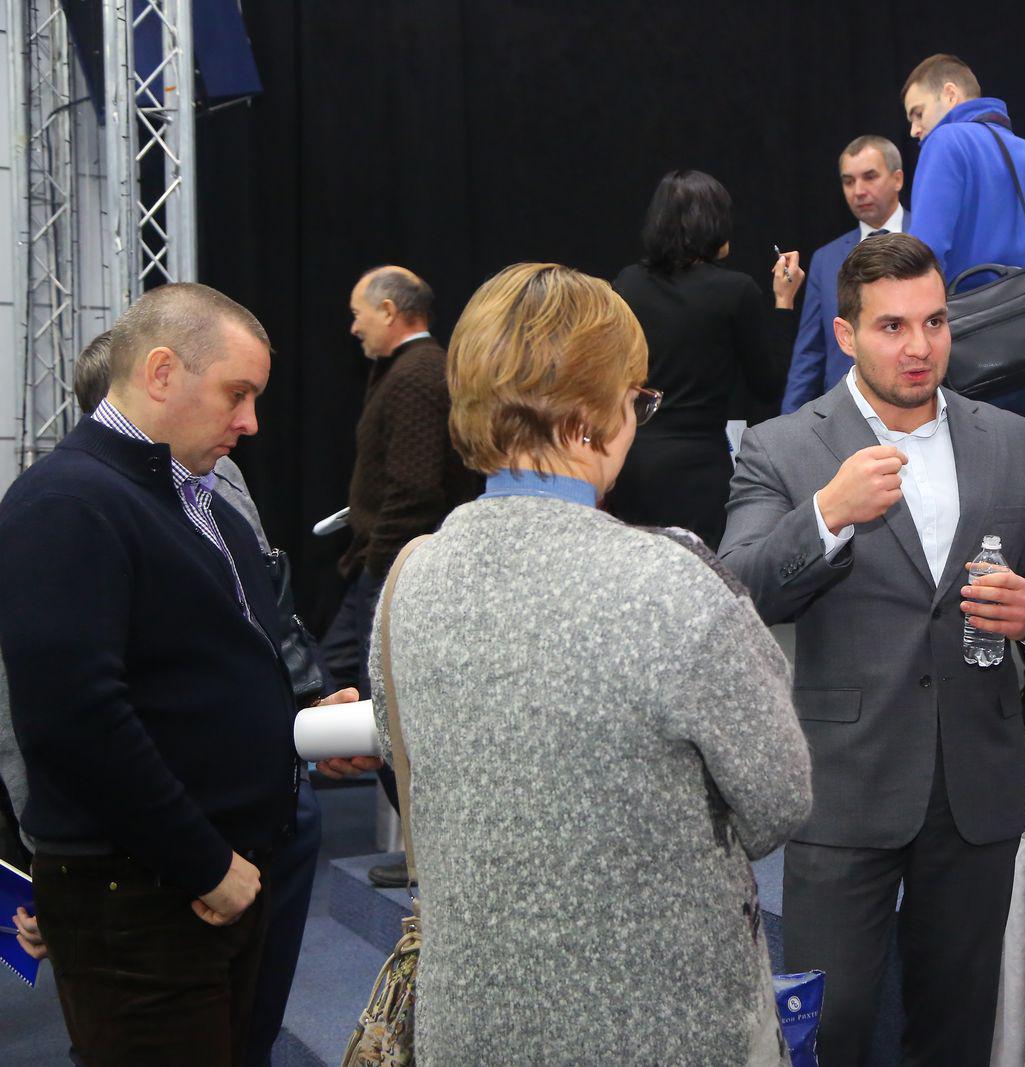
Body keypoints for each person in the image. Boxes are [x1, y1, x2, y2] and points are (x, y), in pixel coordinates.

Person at [371, 262, 812, 1064]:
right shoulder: (675, 584)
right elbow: (777, 804)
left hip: (470, 1028)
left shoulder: (407, 582)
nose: (637, 421)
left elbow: (414, 781)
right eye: (635, 400)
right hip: (667, 1030)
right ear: (586, 421)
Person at [720, 234, 1025, 1067]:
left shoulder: (1010, 440)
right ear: (846, 335)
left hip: (976, 784)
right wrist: (826, 513)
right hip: (847, 785)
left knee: (957, 1027)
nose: (919, 346)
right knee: (832, 1026)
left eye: (934, 322)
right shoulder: (784, 447)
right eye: (892, 326)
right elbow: (739, 585)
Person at [0, 283, 373, 1066]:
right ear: (163, 372)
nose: (251, 421)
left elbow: (212, 671)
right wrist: (206, 864)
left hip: (211, 879)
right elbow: (74, 719)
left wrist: (301, 731)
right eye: (238, 393)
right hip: (150, 892)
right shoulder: (67, 502)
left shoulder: (194, 500)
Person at [900, 53, 1025, 741]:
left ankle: (958, 684)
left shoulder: (949, 145)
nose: (915, 131)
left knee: (947, 517)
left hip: (961, 369)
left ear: (951, 95)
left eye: (918, 112)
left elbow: (921, 260)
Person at [322, 265, 480, 888]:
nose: (353, 326)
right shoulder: (410, 370)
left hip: (397, 569)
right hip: (388, 565)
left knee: (385, 702)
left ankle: (430, 856)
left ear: (389, 311)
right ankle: (425, 852)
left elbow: (415, 488)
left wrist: (381, 568)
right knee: (334, 681)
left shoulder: (416, 376)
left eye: (358, 312)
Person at [608, 169, 802, 548]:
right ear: (713, 223)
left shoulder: (628, 283)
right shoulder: (735, 291)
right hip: (699, 469)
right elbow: (768, 384)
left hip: (633, 461)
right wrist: (784, 301)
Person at [781, 135, 909, 414]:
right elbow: (810, 353)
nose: (858, 190)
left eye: (870, 177)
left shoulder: (932, 240)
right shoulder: (826, 259)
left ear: (897, 179)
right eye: (849, 181)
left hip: (921, 405)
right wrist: (787, 424)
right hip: (847, 414)